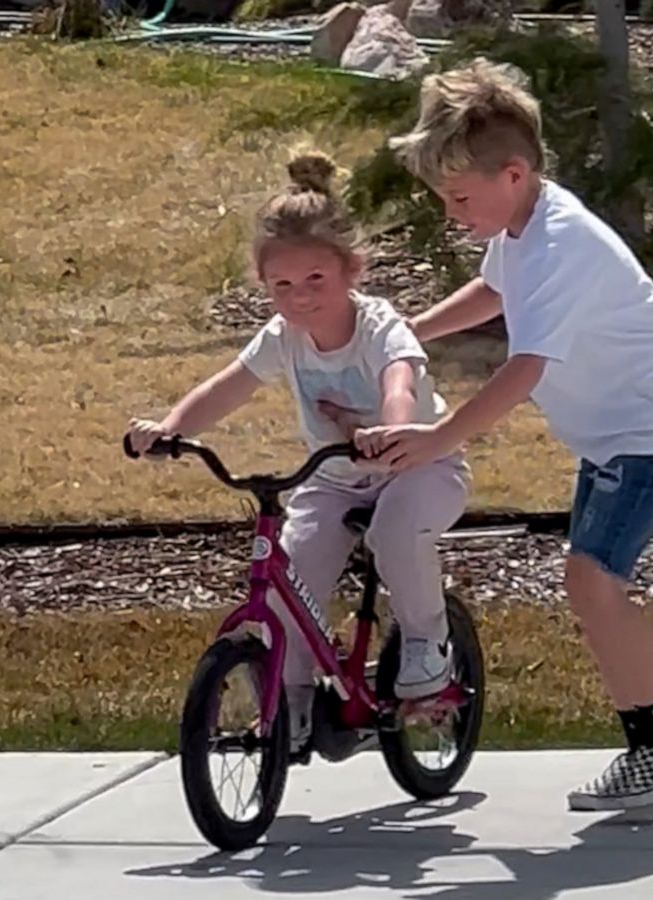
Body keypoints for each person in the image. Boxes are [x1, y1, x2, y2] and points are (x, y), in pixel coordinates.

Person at [355, 58, 653, 810]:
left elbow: (523, 369)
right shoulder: (523, 229)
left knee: (592, 582)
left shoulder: (560, 244)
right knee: (590, 583)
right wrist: (410, 334)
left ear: (513, 174)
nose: (451, 212)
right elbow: (493, 290)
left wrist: (439, 438)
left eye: (458, 197)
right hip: (617, 436)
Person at [124, 150, 471, 757]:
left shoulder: (380, 325)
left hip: (420, 465)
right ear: (265, 286)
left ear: (352, 270)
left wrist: (389, 431)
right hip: (335, 478)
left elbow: (400, 381)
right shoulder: (283, 336)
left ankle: (427, 644)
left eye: (316, 280)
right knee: (291, 569)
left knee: (395, 536)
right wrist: (170, 428)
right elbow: (228, 385)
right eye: (282, 284)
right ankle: (292, 698)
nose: (301, 297)